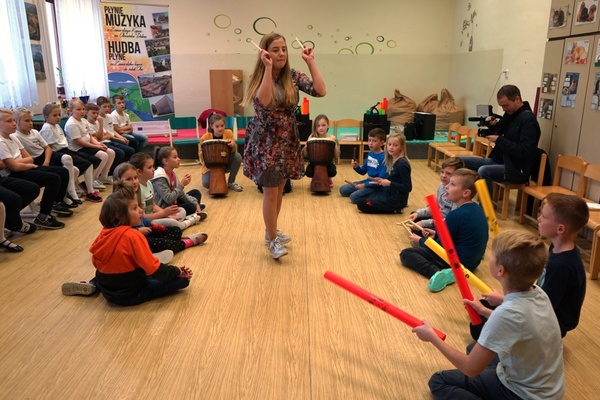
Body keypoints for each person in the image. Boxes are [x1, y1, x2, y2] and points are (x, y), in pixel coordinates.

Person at [413, 230, 565, 399]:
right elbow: (518, 321)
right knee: (473, 348)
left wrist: (432, 337)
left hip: (523, 394)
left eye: (492, 254)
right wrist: (485, 310)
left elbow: (470, 369)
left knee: (439, 381)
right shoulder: (539, 293)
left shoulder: (506, 314)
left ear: (500, 270)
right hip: (549, 389)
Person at [242, 32, 326, 259]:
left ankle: (271, 231)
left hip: (287, 140)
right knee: (270, 192)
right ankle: (272, 239)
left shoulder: (293, 76)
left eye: (284, 49)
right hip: (266, 142)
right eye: (275, 50)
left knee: (279, 189)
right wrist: (268, 69)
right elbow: (265, 102)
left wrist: (311, 62)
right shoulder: (257, 77)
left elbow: (320, 91)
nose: (281, 54)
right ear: (265, 53)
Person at [471, 193, 589, 339]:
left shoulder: (562, 266)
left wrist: (503, 301)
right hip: (537, 307)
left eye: (544, 216)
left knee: (477, 327)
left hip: (547, 324)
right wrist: (506, 301)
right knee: (483, 305)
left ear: (560, 229)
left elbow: (542, 309)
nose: (538, 218)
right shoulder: (557, 248)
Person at [62, 186, 194, 306]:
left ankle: (95, 285)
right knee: (182, 281)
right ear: (119, 215)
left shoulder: (104, 232)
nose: (141, 211)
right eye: (135, 208)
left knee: (115, 271)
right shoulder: (133, 236)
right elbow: (154, 269)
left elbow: (96, 263)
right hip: (131, 294)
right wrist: (176, 271)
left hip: (107, 290)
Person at [400, 168, 488, 292]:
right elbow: (457, 236)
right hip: (473, 263)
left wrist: (420, 241)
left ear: (466, 193)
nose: (446, 186)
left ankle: (437, 272)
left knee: (407, 254)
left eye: (452, 184)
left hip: (458, 264)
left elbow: (439, 247)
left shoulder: (455, 215)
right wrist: (436, 234)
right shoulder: (477, 208)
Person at [459, 85, 541, 195]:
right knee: (458, 161)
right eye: (501, 106)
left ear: (517, 99)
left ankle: (485, 205)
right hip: (498, 160)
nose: (503, 109)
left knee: (484, 171)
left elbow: (525, 151)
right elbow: (499, 130)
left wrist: (499, 140)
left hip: (516, 168)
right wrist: (492, 125)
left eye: (505, 105)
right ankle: (456, 198)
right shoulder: (510, 114)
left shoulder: (528, 120)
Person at [113, 165, 207, 254]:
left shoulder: (136, 193)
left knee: (176, 230)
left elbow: (143, 216)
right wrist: (138, 231)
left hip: (146, 228)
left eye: (135, 178)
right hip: (134, 238)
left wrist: (151, 223)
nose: (134, 182)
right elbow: (119, 231)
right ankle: (184, 243)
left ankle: (165, 246)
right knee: (153, 242)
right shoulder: (119, 202)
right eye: (128, 179)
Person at [0, 108, 69, 229]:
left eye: (14, 120)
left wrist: (20, 163)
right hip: (13, 174)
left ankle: (56, 202)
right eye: (9, 121)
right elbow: (14, 167)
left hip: (23, 168)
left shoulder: (13, 137)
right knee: (52, 179)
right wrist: (25, 164)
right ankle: (43, 215)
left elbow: (29, 158)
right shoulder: (1, 141)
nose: (14, 123)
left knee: (62, 172)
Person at [13, 107, 82, 207]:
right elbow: (28, 157)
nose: (31, 123)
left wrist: (46, 161)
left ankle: (63, 194)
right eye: (27, 121)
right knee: (61, 173)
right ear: (17, 122)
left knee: (73, 169)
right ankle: (59, 199)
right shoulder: (16, 136)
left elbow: (47, 148)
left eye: (31, 120)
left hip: (45, 156)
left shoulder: (35, 132)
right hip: (35, 160)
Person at [39, 103, 102, 202]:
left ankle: (87, 190)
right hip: (57, 153)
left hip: (65, 150)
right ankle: (76, 191)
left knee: (88, 164)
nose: (58, 117)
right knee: (79, 164)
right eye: (55, 115)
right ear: (47, 117)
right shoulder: (47, 128)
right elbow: (49, 148)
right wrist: (47, 162)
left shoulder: (56, 125)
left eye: (59, 115)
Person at [129, 152, 203, 230]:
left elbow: (153, 206)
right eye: (150, 167)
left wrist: (168, 214)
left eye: (153, 166)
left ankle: (182, 220)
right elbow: (144, 217)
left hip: (158, 213)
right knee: (174, 222)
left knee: (183, 210)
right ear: (139, 172)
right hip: (150, 219)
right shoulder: (138, 189)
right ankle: (188, 222)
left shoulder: (149, 183)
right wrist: (164, 213)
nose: (153, 169)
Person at [355, 132, 412, 214]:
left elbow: (408, 187)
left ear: (401, 147)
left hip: (396, 199)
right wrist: (382, 180)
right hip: (388, 193)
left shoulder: (402, 164)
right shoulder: (392, 160)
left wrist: (389, 183)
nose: (391, 147)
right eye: (389, 144)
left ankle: (396, 209)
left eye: (395, 145)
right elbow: (394, 179)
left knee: (361, 204)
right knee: (363, 200)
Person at [64, 99, 115, 189]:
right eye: (78, 109)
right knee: (103, 155)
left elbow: (90, 136)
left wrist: (98, 144)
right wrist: (96, 146)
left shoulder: (84, 121)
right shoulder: (72, 123)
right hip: (77, 149)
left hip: (86, 145)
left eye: (83, 109)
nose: (82, 111)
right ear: (71, 110)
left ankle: (102, 177)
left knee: (110, 152)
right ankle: (91, 181)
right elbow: (79, 142)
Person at [408, 157, 464, 229]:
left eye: (448, 173)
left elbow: (451, 220)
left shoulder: (457, 193)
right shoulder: (441, 186)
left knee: (423, 228)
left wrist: (425, 223)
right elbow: (434, 207)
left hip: (447, 223)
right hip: (438, 217)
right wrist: (418, 213)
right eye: (442, 172)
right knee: (415, 215)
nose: (443, 176)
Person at [151, 146, 206, 217]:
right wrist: (181, 185)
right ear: (166, 161)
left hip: (174, 202)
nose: (179, 159)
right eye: (175, 157)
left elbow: (181, 194)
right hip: (165, 208)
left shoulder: (172, 173)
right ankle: (195, 210)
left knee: (196, 193)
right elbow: (168, 199)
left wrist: (195, 203)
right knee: (191, 206)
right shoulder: (160, 177)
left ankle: (196, 208)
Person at [339, 128, 387, 204]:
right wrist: (356, 167)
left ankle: (376, 195)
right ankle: (363, 192)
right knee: (343, 190)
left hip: (376, 186)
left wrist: (365, 185)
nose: (371, 143)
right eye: (369, 140)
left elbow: (380, 181)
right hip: (368, 182)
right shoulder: (370, 154)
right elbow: (363, 171)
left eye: (374, 141)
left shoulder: (384, 158)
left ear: (382, 143)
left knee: (353, 197)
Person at [199, 113, 243, 192]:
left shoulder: (228, 133)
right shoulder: (204, 138)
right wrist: (204, 151)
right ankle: (218, 178)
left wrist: (233, 145)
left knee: (238, 156)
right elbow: (202, 158)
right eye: (217, 126)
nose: (220, 128)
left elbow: (233, 152)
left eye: (222, 126)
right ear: (211, 126)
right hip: (210, 166)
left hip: (226, 163)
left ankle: (231, 182)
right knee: (206, 184)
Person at [86, 102, 132, 167]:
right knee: (120, 153)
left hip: (108, 141)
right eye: (93, 113)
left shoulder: (98, 122)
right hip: (102, 143)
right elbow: (99, 137)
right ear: (87, 113)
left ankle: (122, 166)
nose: (96, 115)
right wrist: (101, 124)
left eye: (97, 113)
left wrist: (101, 137)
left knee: (130, 150)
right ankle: (113, 170)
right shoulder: (88, 124)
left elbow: (107, 135)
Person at [302, 114, 339, 187]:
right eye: (318, 126)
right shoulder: (311, 137)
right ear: (315, 127)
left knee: (332, 171)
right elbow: (305, 155)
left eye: (323, 125)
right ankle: (315, 178)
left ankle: (328, 178)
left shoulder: (333, 138)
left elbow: (336, 156)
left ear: (328, 125)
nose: (321, 128)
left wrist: (334, 144)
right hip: (314, 163)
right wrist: (307, 144)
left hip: (328, 163)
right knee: (309, 172)